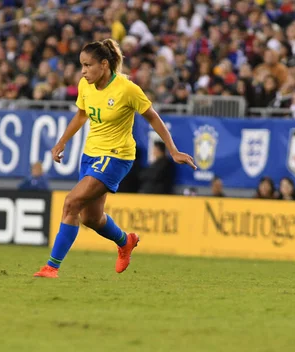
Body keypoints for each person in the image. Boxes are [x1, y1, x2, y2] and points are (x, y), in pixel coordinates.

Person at [34, 39, 196, 278]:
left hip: (117, 156)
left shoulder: (126, 89)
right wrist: (62, 141)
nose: (83, 71)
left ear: (104, 64)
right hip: (91, 154)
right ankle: (125, 241)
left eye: (88, 65)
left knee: (71, 203)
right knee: (91, 217)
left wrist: (172, 149)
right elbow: (81, 115)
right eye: (81, 65)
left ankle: (51, 266)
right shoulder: (85, 86)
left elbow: (152, 117)